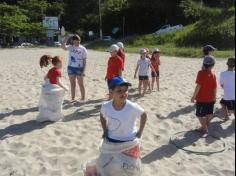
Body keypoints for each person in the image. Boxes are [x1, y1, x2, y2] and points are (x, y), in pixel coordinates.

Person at [100, 76, 147, 143]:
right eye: (119, 91)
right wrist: (105, 130)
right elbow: (102, 116)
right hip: (111, 138)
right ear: (111, 92)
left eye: (125, 90)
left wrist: (140, 132)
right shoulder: (106, 106)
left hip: (129, 139)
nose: (123, 93)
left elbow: (143, 114)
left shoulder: (132, 107)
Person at [191, 56, 217, 134]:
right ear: (213, 65)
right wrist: (215, 97)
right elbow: (215, 88)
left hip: (201, 99)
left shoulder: (200, 73)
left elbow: (198, 86)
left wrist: (193, 96)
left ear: (203, 64)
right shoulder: (213, 74)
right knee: (209, 114)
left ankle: (204, 128)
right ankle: (205, 126)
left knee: (199, 115)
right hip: (211, 98)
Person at [61, 35, 88, 102]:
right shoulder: (70, 47)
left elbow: (84, 61)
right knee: (72, 83)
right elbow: (62, 47)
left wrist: (84, 71)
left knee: (81, 84)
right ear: (73, 41)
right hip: (71, 68)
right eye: (75, 41)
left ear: (80, 40)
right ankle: (73, 98)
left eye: (78, 41)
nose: (77, 42)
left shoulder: (83, 49)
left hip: (79, 68)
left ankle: (83, 98)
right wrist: (66, 38)